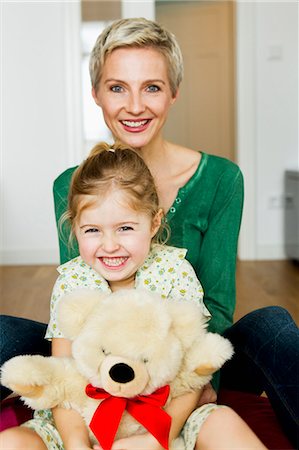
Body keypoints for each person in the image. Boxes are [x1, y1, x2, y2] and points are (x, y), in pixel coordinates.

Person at [1, 17, 298, 447]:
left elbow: (215, 304)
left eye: (152, 87)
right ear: (96, 94)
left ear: (173, 93)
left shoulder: (220, 178)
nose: (135, 105)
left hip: (184, 354)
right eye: (117, 87)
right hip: (98, 354)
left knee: (272, 324)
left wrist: (186, 395)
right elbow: (77, 294)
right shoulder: (70, 186)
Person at [0, 142, 268, 450]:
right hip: (84, 417)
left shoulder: (174, 271)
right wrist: (77, 444)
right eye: (92, 231)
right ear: (74, 228)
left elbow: (191, 373)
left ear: (154, 222)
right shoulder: (72, 281)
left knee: (222, 423)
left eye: (125, 227)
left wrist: (157, 439)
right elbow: (63, 379)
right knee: (11, 443)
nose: (110, 245)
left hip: (164, 415)